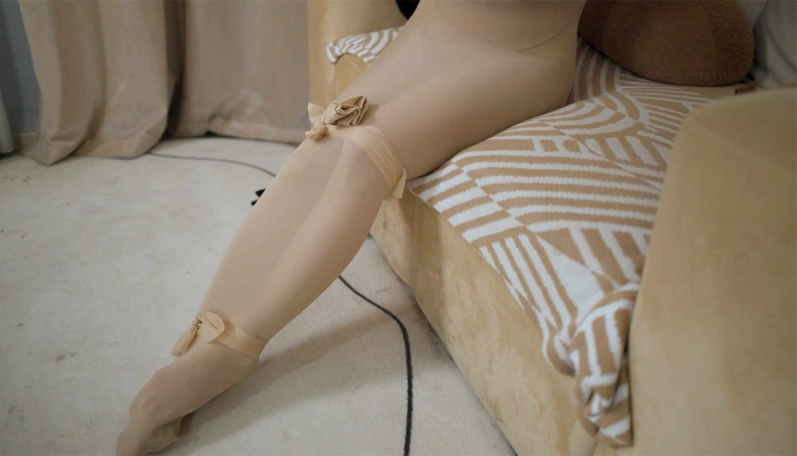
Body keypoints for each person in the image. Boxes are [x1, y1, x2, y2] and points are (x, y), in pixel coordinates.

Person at [116, 1, 586, 453]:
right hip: (431, 30)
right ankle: (208, 338)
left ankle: (234, 352)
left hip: (517, 54)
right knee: (326, 138)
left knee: (364, 153)